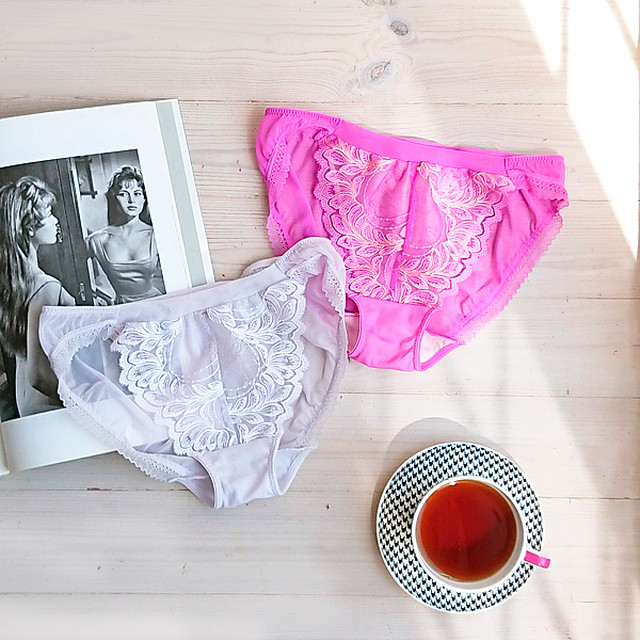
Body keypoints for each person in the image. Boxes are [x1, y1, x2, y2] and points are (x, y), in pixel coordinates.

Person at [0, 176, 75, 417]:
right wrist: (81, 402)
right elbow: (38, 376)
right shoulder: (46, 287)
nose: (56, 221)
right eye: (49, 214)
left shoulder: (14, 284)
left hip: (25, 403)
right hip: (47, 405)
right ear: (30, 227)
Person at [87, 166, 165, 304]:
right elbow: (74, 275)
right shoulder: (98, 240)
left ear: (144, 198)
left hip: (156, 303)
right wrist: (98, 296)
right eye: (123, 194)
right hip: (122, 307)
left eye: (137, 193)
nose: (131, 200)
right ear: (113, 198)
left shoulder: (156, 236)